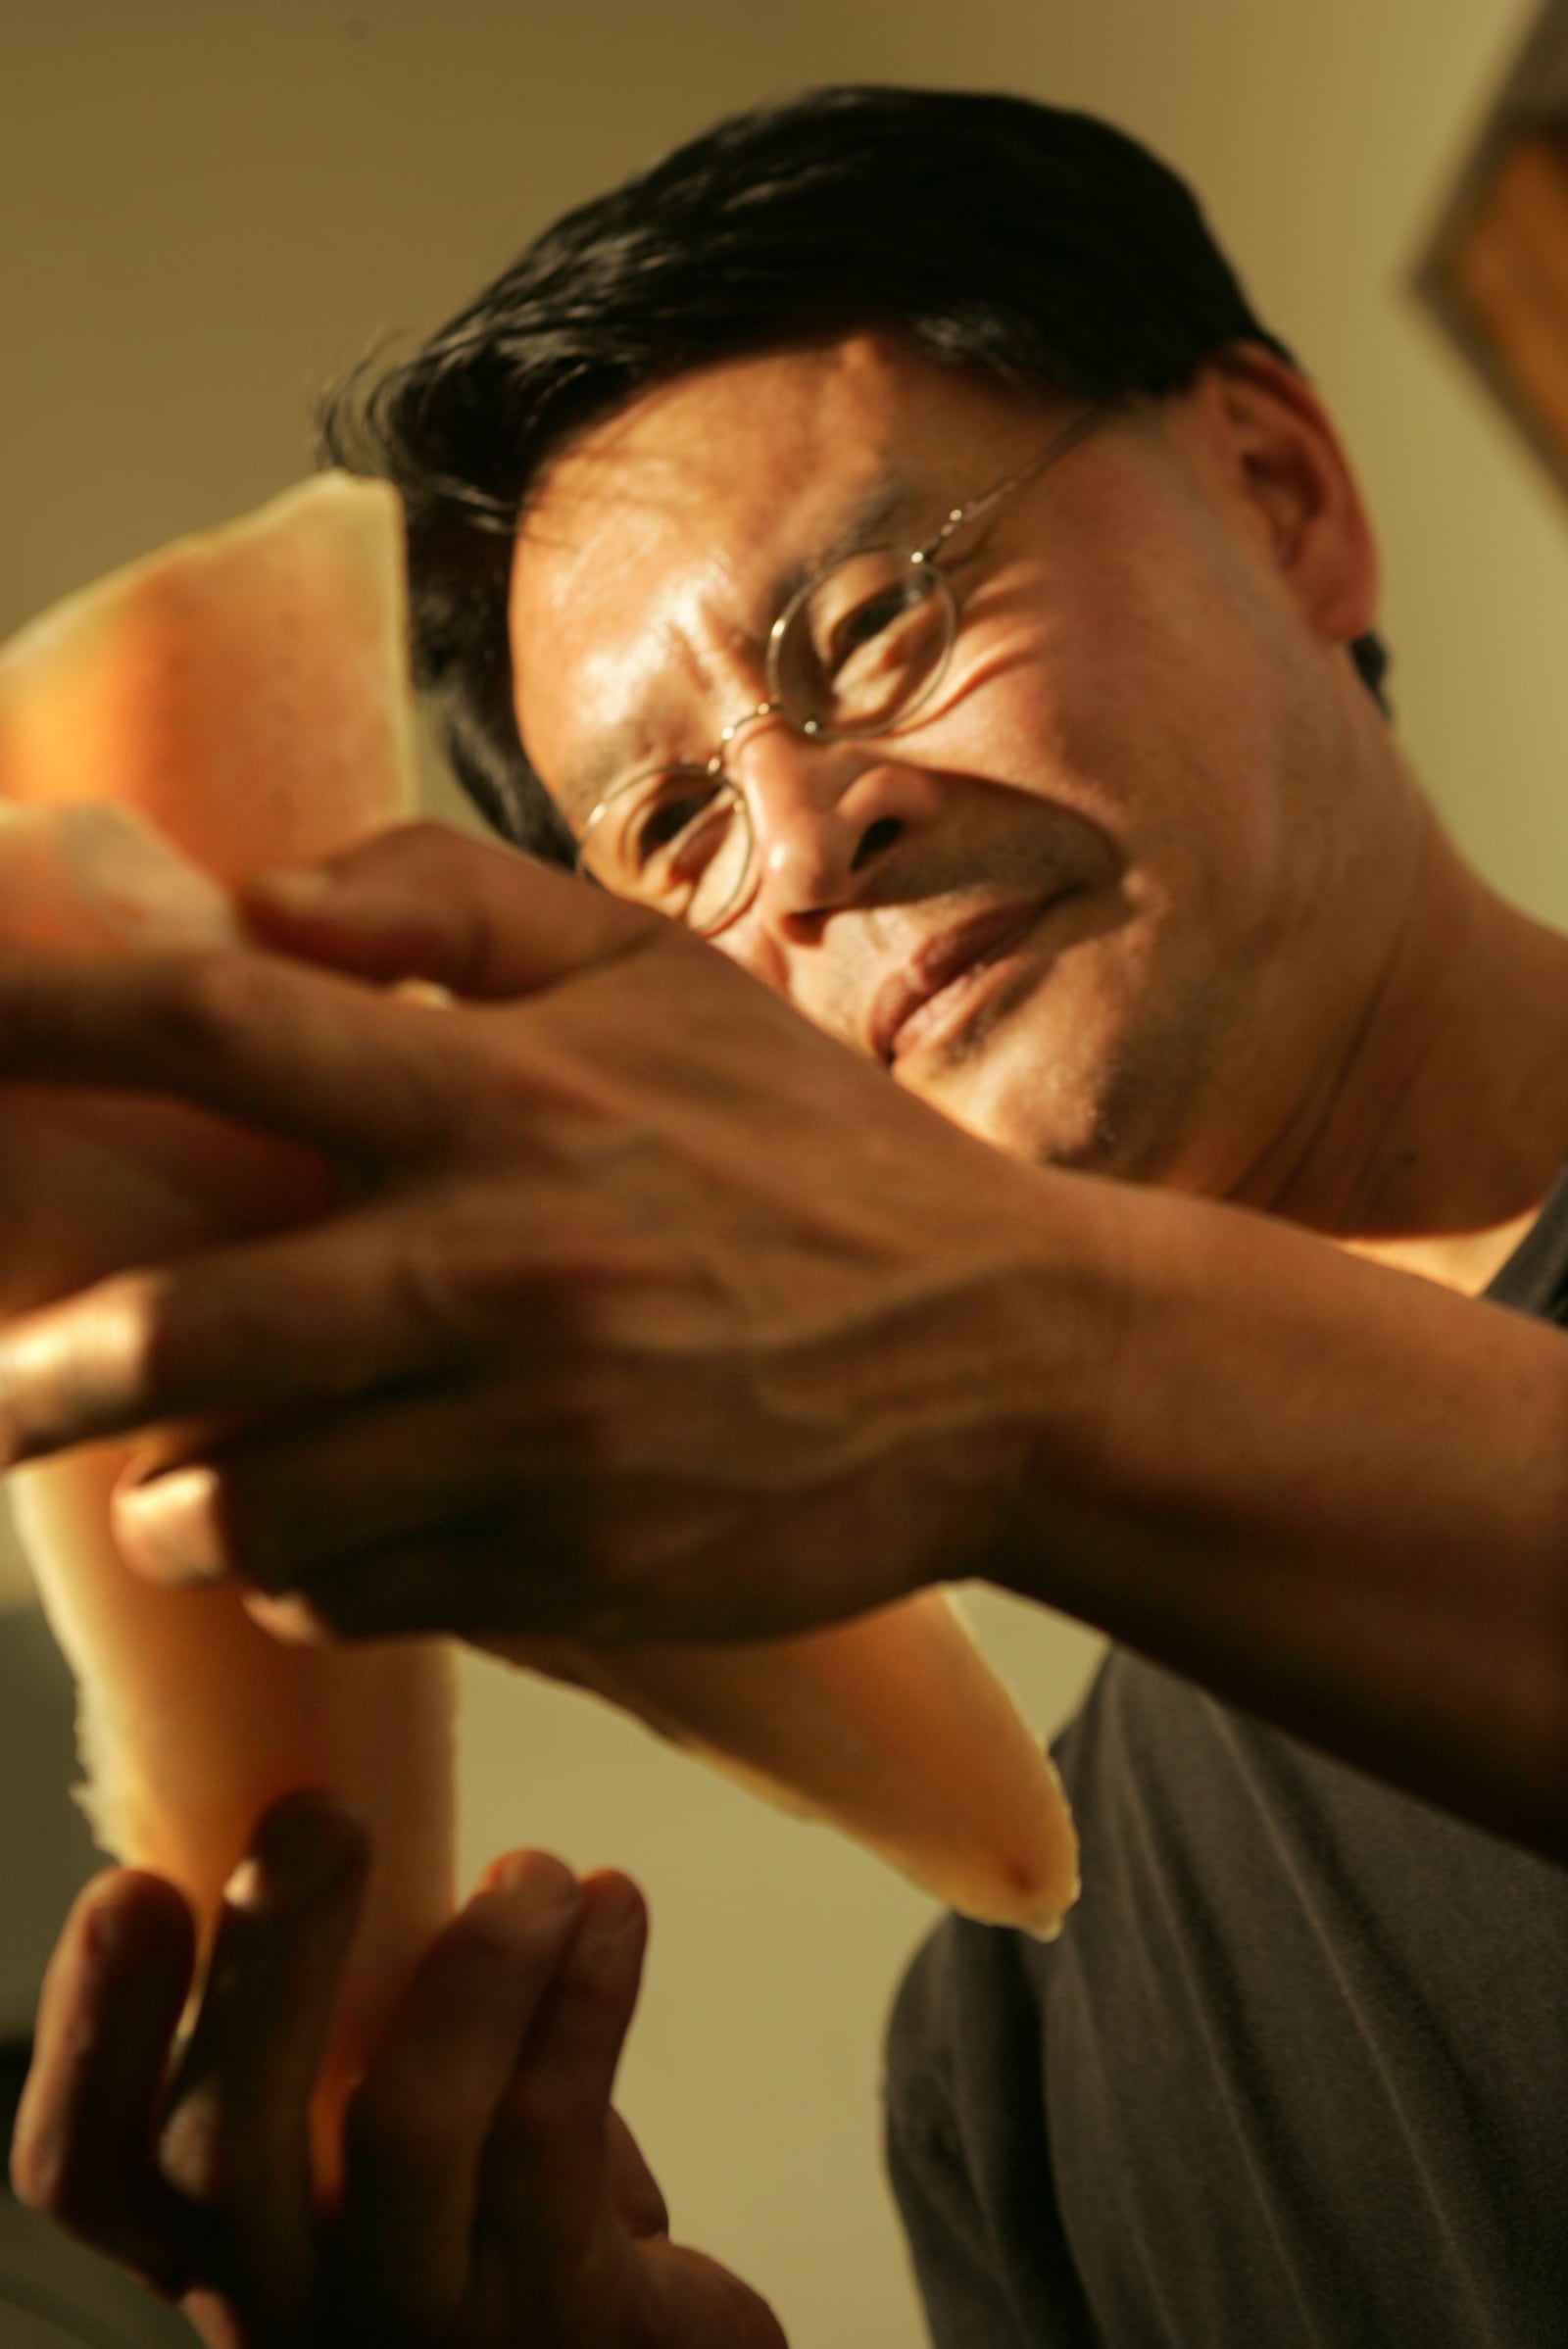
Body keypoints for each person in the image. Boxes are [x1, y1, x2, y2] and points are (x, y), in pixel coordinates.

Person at [4, 83, 1567, 2347]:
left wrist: (1021, 1369)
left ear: (1279, 494)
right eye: (662, 828)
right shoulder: (1012, 2058)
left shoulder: (1027, 1416)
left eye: (869, 619)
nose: (808, 835)